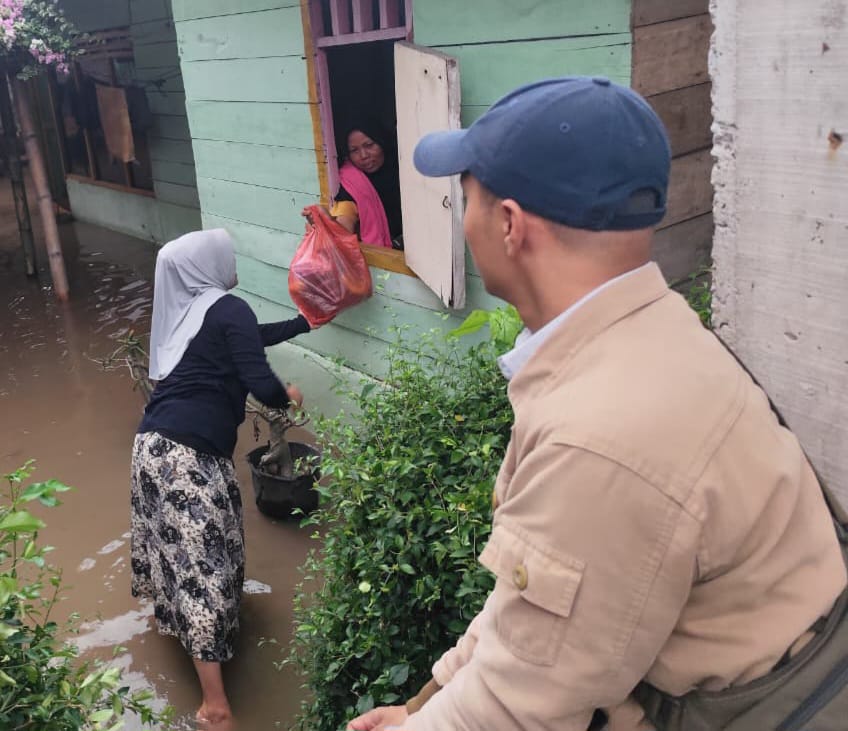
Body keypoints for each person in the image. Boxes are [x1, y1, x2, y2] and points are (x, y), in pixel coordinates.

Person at [347, 77, 848, 731]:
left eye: (464, 196)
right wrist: (425, 701)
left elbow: (514, 709)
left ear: (508, 226)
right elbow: (530, 608)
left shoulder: (602, 435)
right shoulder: (644, 333)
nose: (461, 215)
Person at [130, 229, 309, 726]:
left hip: (153, 451)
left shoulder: (192, 318)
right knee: (207, 564)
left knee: (190, 554)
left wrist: (303, 323)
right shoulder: (227, 308)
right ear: (210, 263)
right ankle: (215, 704)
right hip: (186, 459)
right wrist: (285, 393)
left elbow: (248, 340)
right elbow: (258, 378)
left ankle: (182, 629)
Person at [329, 119, 403, 250]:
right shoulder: (352, 181)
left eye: (369, 145)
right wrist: (323, 222)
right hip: (387, 255)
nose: (363, 155)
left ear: (382, 142)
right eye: (354, 150)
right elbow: (345, 219)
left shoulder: (403, 167)